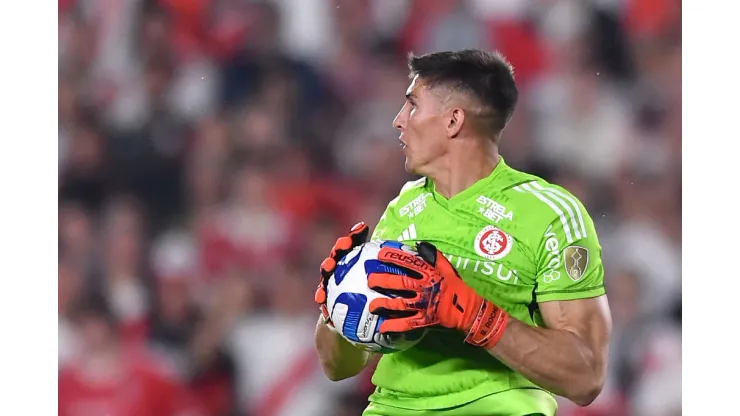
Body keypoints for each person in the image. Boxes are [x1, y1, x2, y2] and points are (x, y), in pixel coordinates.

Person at [314, 49, 612, 416]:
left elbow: (586, 377)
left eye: (412, 106)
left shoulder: (549, 214)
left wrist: (474, 315)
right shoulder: (402, 208)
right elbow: (337, 367)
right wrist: (336, 306)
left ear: (454, 120)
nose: (397, 121)